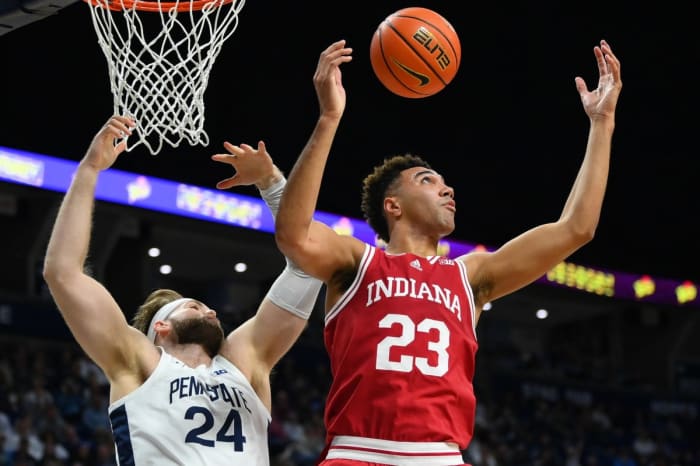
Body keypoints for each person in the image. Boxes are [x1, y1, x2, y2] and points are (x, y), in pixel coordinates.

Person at [272, 39, 622, 465]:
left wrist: (602, 124)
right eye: (427, 180)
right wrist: (329, 118)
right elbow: (293, 234)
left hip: (440, 456)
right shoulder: (356, 262)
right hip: (359, 450)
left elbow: (577, 229)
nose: (447, 188)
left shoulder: (470, 276)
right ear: (392, 205)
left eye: (444, 182)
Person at [42, 115, 323, 466]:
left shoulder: (244, 361)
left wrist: (271, 182)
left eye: (207, 308)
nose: (211, 311)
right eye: (195, 306)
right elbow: (63, 273)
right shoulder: (139, 361)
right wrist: (88, 171)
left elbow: (309, 265)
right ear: (160, 327)